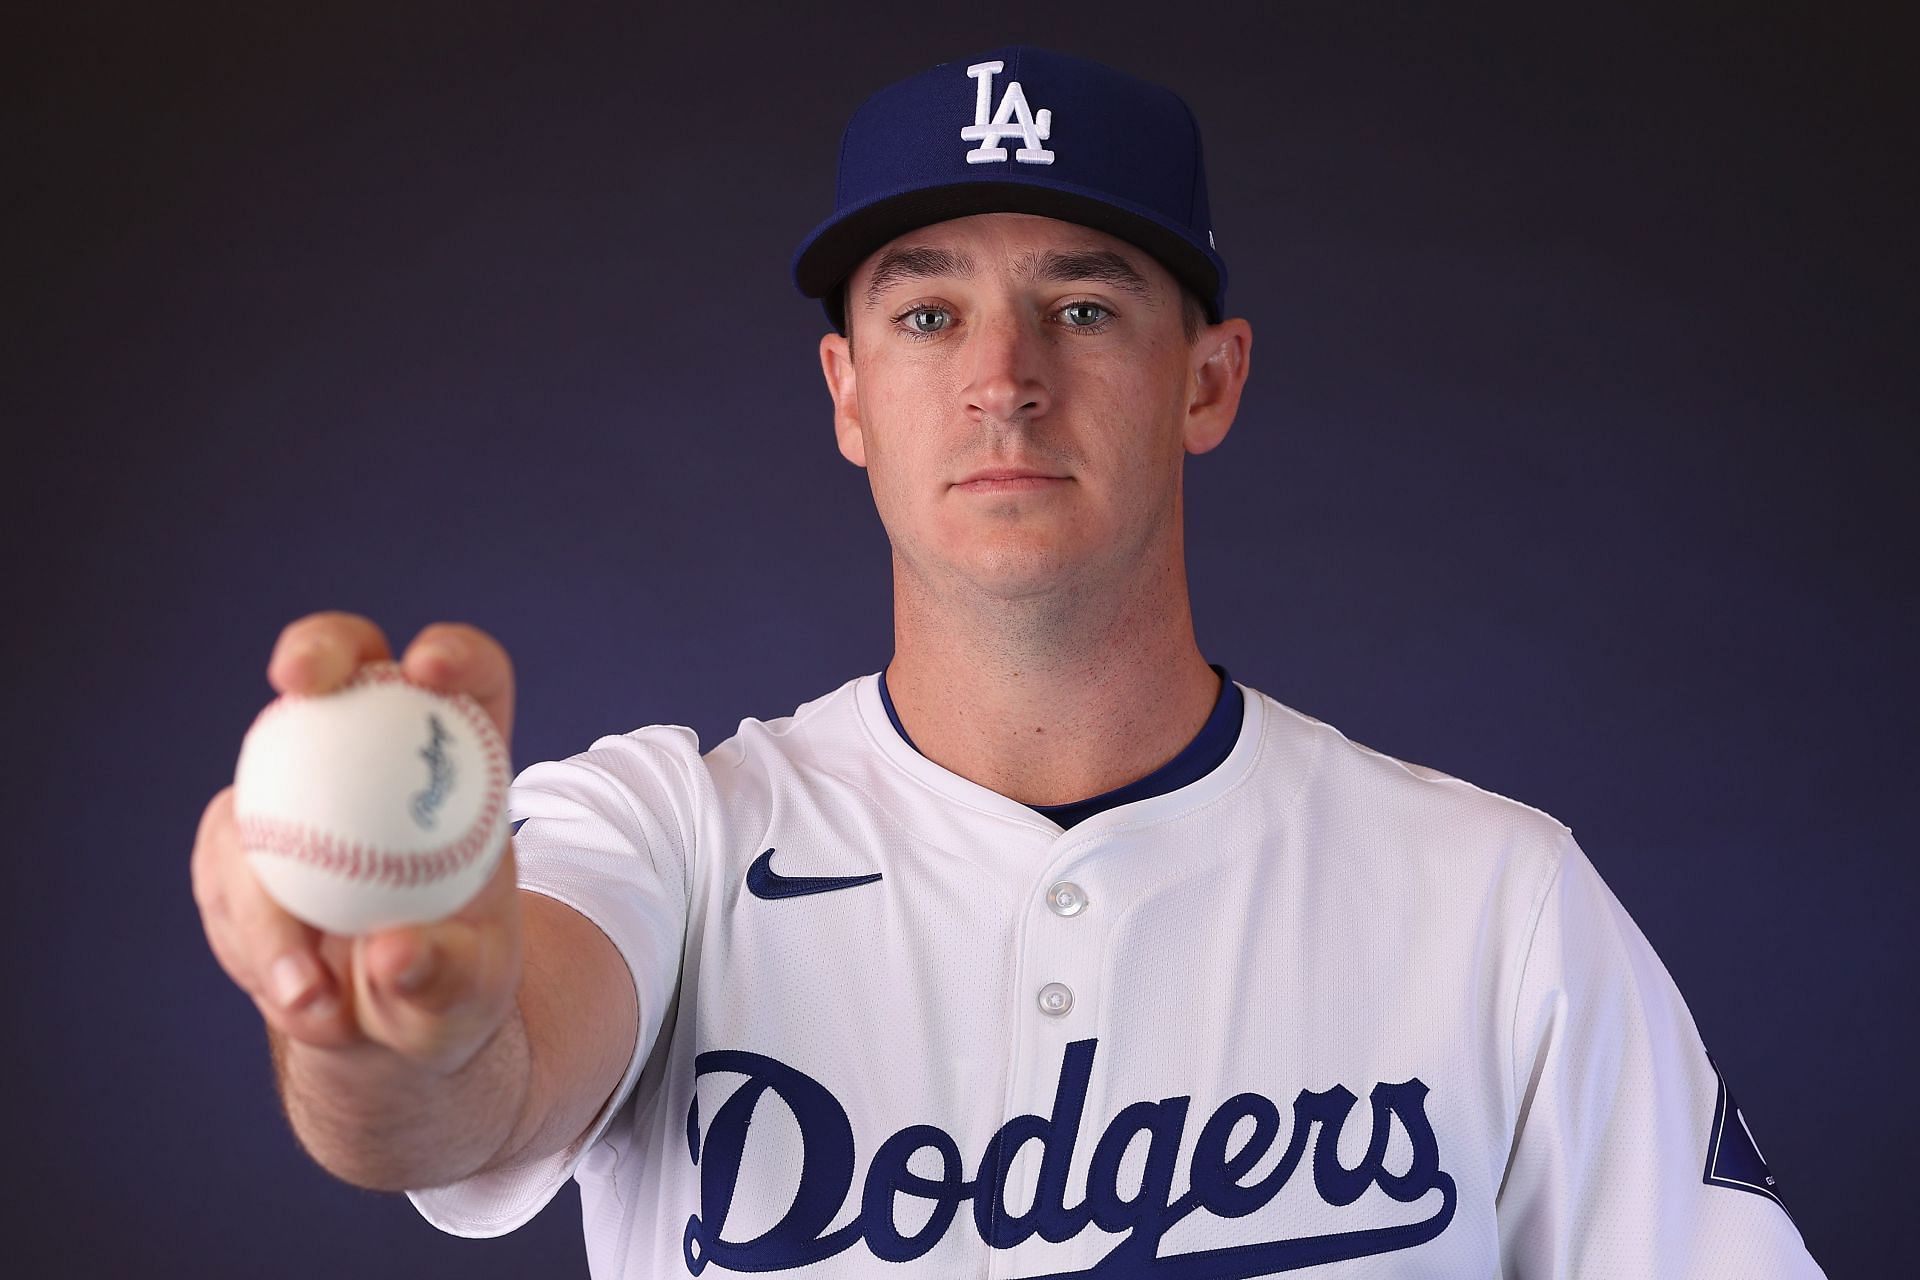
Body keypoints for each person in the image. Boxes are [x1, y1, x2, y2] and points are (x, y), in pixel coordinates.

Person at [192, 47, 1826, 1277]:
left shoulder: (1498, 903)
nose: (1004, 378)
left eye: (1089, 306)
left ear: (1209, 379)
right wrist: (376, 1025)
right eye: (925, 315)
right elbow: (465, 1092)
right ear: (846, 393)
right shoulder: (668, 839)